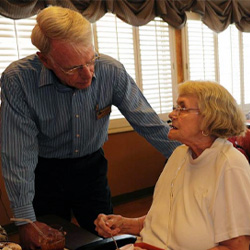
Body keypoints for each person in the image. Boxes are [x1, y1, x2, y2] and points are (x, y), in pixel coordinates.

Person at [0, 5, 180, 250]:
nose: (87, 74)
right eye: (72, 68)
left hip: (91, 168)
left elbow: (149, 124)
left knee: (105, 237)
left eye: (90, 60)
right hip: (45, 172)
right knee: (48, 240)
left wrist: (195, 156)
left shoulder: (110, 71)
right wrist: (24, 220)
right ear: (45, 59)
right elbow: (18, 153)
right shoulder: (18, 80)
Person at [94, 80, 250, 250]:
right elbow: (165, 220)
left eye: (182, 108)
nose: (171, 114)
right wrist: (124, 224)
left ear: (209, 118)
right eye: (175, 107)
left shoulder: (229, 165)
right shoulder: (179, 154)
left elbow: (238, 246)